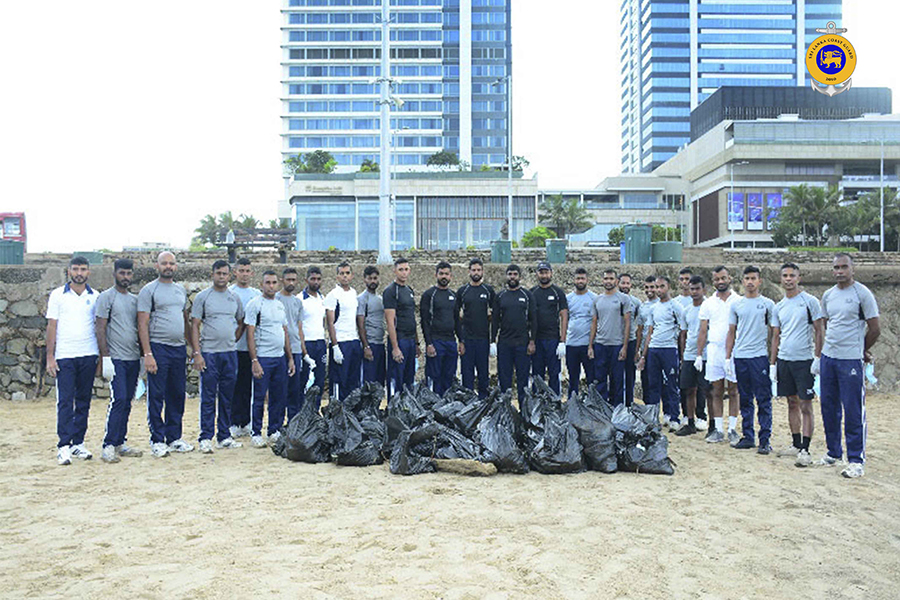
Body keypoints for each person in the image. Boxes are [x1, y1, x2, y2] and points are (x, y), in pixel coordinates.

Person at [818, 253, 880, 478]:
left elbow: (875, 328)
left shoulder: (862, 294)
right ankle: (833, 452)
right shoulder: (828, 295)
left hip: (850, 359)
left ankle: (856, 460)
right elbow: (826, 323)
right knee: (828, 406)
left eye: (844, 267)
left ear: (853, 269)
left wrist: (861, 350)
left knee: (853, 409)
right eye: (836, 267)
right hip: (829, 358)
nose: (840, 271)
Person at [137, 251, 193, 458]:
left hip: (178, 348)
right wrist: (148, 353)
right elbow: (142, 322)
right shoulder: (149, 290)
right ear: (157, 266)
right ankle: (157, 440)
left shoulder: (180, 291)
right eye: (164, 263)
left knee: (177, 394)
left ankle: (174, 437)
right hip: (158, 347)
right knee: (157, 395)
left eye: (171, 263)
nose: (168, 266)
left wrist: (191, 348)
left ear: (176, 267)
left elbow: (185, 319)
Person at [46, 256, 100, 465]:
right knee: (65, 401)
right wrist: (50, 356)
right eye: (75, 269)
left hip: (88, 353)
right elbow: (52, 326)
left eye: (83, 269)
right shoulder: (57, 295)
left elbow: (99, 326)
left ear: (88, 272)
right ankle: (64, 446)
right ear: (68, 271)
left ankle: (78, 443)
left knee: (84, 401)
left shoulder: (95, 296)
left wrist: (101, 356)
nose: (79, 273)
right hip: (65, 356)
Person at [770, 262, 824, 466]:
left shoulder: (810, 301)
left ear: (799, 278)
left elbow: (819, 330)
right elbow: (776, 336)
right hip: (785, 360)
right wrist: (772, 364)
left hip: (804, 361)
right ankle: (795, 442)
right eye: (785, 275)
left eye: (792, 275)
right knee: (791, 402)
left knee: (806, 404)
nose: (788, 279)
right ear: (781, 278)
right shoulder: (779, 306)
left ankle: (806, 449)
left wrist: (817, 358)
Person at [190, 260, 245, 453]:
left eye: (224, 274)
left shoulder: (234, 298)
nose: (221, 277)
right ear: (212, 274)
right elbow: (195, 325)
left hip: (230, 354)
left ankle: (224, 436)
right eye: (218, 273)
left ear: (230, 275)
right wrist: (197, 353)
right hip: (209, 354)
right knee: (208, 396)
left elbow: (241, 322)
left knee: (227, 396)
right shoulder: (203, 297)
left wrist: (231, 340)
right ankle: (205, 437)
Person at [94, 258, 143, 463]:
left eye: (128, 273)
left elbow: (140, 328)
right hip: (116, 358)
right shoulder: (106, 297)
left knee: (128, 401)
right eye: (122, 273)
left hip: (133, 357)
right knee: (119, 399)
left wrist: (142, 355)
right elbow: (100, 327)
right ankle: (108, 444)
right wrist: (105, 357)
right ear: (114, 274)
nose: (125, 277)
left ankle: (120, 442)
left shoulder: (135, 300)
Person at [725, 266, 776, 454]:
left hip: (759, 357)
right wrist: (727, 357)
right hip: (741, 357)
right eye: (747, 278)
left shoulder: (768, 304)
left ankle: (765, 439)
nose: (750, 282)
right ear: (742, 281)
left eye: (753, 278)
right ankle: (748, 436)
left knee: (763, 399)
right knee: (745, 398)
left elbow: (774, 333)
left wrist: (772, 361)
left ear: (759, 281)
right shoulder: (736, 305)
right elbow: (732, 332)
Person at [245, 271, 295, 448]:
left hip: (279, 358)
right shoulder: (255, 305)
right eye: (268, 282)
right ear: (262, 284)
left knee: (279, 397)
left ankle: (274, 430)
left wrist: (289, 358)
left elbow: (285, 332)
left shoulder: (280, 305)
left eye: (274, 282)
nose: (271, 286)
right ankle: (256, 432)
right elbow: (249, 334)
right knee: (259, 397)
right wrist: (254, 360)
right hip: (263, 358)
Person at [696, 265, 742, 444]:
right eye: (717, 279)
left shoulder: (739, 301)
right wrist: (699, 354)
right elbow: (702, 331)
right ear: (712, 281)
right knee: (715, 390)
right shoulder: (708, 303)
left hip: (734, 350)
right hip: (714, 350)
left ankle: (732, 429)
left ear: (729, 278)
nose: (720, 282)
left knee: (733, 390)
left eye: (723, 278)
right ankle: (718, 430)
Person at [638, 276, 685, 428]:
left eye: (661, 287)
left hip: (669, 349)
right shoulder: (653, 308)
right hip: (654, 350)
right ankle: (653, 418)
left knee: (671, 384)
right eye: (657, 287)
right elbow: (650, 332)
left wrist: (682, 354)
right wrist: (644, 355)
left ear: (668, 287)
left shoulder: (676, 306)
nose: (658, 290)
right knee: (653, 385)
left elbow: (682, 330)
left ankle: (674, 417)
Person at [492, 264, 537, 402]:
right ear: (506, 276)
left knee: (523, 378)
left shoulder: (527, 295)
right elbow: (494, 321)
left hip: (522, 343)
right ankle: (505, 409)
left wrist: (532, 341)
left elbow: (533, 320)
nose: (512, 277)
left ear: (520, 277)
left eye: (515, 274)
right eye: (510, 274)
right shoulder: (500, 296)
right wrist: (492, 341)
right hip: (504, 343)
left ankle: (524, 410)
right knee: (504, 378)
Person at [587, 269, 631, 404]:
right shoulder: (597, 300)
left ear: (616, 281)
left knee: (617, 380)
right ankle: (602, 409)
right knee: (600, 379)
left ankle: (617, 410)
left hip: (617, 345)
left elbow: (628, 323)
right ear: (602, 281)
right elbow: (594, 323)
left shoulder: (623, 299)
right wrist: (590, 346)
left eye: (611, 279)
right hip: (600, 345)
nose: (608, 281)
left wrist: (624, 347)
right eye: (606, 279)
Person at [228, 257, 261, 438]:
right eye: (241, 270)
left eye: (248, 271)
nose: (245, 274)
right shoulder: (230, 292)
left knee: (248, 386)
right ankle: (233, 422)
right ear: (235, 272)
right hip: (233, 347)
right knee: (234, 386)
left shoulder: (256, 294)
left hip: (251, 348)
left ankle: (246, 422)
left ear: (252, 273)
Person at [456, 257, 495, 399]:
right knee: (467, 374)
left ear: (483, 271)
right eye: (473, 270)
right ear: (469, 272)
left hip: (483, 339)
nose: (476, 272)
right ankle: (468, 403)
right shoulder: (463, 291)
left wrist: (492, 341)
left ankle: (483, 402)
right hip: (467, 339)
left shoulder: (488, 291)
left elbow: (494, 315)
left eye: (479, 270)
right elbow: (457, 316)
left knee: (483, 374)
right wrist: (460, 339)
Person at [676, 275, 711, 436]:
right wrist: (683, 356)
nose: (695, 292)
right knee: (688, 389)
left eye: (698, 288)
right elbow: (683, 333)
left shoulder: (710, 307)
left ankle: (711, 424)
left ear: (703, 289)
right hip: (689, 355)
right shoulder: (687, 310)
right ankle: (689, 422)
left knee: (708, 391)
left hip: (706, 355)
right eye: (692, 289)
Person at [420, 261, 460, 396]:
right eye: (441, 273)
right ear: (436, 275)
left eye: (447, 274)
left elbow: (457, 320)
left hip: (450, 342)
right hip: (436, 342)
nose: (444, 276)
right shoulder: (429, 295)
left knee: (449, 376)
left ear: (451, 277)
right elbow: (424, 321)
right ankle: (432, 408)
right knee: (434, 376)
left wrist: (461, 341)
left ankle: (446, 409)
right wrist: (429, 343)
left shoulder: (454, 295)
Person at [278, 267, 312, 420]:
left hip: (296, 350)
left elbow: (300, 328)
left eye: (293, 280)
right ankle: (277, 424)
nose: (291, 283)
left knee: (295, 389)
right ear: (282, 280)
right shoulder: (276, 299)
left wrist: (305, 353)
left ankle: (293, 422)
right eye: (288, 279)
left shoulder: (298, 302)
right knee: (280, 389)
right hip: (279, 350)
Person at [325, 261, 362, 401]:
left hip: (353, 341)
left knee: (353, 381)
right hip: (340, 342)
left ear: (352, 276)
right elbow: (330, 322)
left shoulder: (353, 293)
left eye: (347, 273)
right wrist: (335, 347)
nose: (345, 276)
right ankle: (336, 414)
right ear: (337, 277)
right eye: (342, 273)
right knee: (340, 381)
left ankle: (351, 414)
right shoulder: (333, 295)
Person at [530, 262, 568, 395]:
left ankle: (555, 404)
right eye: (541, 272)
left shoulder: (557, 293)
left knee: (554, 375)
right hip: (536, 341)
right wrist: (530, 340)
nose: (544, 275)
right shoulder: (532, 292)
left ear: (551, 273)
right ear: (537, 274)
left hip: (553, 340)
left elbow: (564, 316)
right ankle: (536, 404)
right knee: (537, 375)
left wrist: (562, 341)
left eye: (546, 272)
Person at [384, 257, 420, 396]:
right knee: (396, 379)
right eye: (400, 270)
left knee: (408, 380)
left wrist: (416, 343)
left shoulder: (409, 290)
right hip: (399, 340)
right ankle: (393, 409)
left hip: (410, 340)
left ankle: (406, 412)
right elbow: (390, 321)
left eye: (406, 270)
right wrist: (395, 347)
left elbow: (412, 318)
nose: (403, 273)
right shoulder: (391, 291)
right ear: (395, 271)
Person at [565, 267, 596, 398]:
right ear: (574, 280)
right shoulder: (568, 298)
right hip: (571, 344)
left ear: (587, 280)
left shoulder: (594, 298)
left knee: (591, 377)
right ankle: (572, 403)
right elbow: (564, 319)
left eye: (582, 278)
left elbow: (596, 321)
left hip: (587, 345)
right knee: (573, 377)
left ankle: (593, 404)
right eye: (578, 278)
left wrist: (591, 345)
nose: (580, 281)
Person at [299, 266, 326, 410]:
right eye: (313, 279)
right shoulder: (300, 299)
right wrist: (304, 352)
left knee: (319, 380)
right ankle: (303, 413)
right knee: (305, 381)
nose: (316, 282)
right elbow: (299, 327)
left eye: (318, 279)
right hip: (307, 344)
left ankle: (315, 412)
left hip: (320, 343)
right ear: (306, 280)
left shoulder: (323, 298)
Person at [357, 266, 386, 388]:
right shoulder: (362, 299)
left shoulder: (380, 299)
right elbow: (360, 324)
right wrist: (366, 346)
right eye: (370, 278)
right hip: (370, 344)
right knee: (369, 382)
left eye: (375, 278)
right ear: (364, 280)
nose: (373, 281)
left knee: (380, 381)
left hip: (380, 344)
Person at [618, 273, 641, 406]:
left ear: (631, 285)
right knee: (616, 374)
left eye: (627, 283)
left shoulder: (636, 302)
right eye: (623, 283)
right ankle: (617, 403)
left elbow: (637, 323)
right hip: (616, 341)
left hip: (631, 341)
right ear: (618, 283)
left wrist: (637, 349)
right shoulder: (613, 299)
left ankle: (629, 403)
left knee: (630, 374)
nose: (625, 286)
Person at [634, 275, 658, 401]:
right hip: (645, 349)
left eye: (652, 287)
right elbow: (640, 330)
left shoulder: (662, 304)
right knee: (646, 381)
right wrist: (637, 350)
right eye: (647, 287)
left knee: (658, 382)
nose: (649, 290)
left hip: (658, 348)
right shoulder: (642, 307)